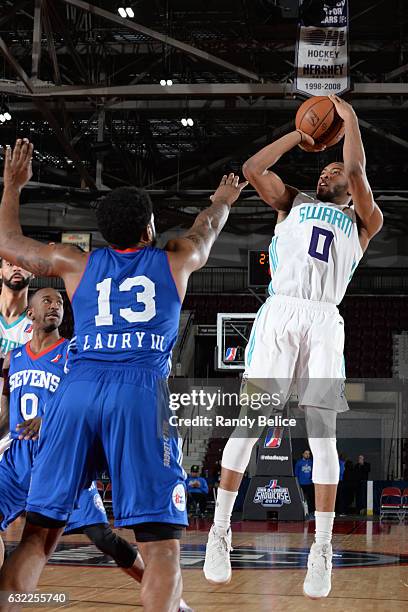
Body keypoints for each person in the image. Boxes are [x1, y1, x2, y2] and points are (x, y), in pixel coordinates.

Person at [0, 138, 247, 612]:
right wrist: (222, 199)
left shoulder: (77, 262)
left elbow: (10, 243)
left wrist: (13, 186)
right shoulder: (177, 258)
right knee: (161, 547)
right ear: (150, 227)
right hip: (138, 391)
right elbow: (207, 226)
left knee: (39, 535)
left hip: (77, 391)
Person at [203, 95, 383, 599]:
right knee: (250, 424)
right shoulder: (293, 202)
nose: (327, 174)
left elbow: (357, 168)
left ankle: (321, 548)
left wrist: (347, 122)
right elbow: (253, 168)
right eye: (322, 171)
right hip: (281, 312)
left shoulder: (367, 220)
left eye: (333, 171)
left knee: (324, 437)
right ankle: (220, 530)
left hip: (325, 322)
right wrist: (298, 137)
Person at [0, 259, 34, 436]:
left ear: (33, 272)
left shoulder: (38, 326)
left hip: (17, 427)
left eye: (22, 263)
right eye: (9, 264)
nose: (17, 267)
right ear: (0, 271)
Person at [295, 450, 314, 515]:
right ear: (303, 454)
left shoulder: (311, 462)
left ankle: (311, 512)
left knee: (310, 499)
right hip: (301, 484)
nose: (307, 455)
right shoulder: (299, 463)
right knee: (302, 498)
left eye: (308, 454)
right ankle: (301, 513)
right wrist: (297, 483)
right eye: (306, 453)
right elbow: (296, 474)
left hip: (309, 483)